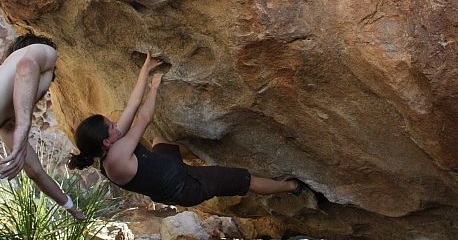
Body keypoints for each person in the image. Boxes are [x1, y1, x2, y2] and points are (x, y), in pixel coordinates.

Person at [70, 52, 303, 206]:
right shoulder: (117, 160)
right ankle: (292, 187)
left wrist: (145, 69)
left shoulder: (110, 146)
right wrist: (154, 88)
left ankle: (196, 154)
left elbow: (131, 105)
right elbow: (143, 117)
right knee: (245, 180)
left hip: (168, 167)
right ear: (106, 142)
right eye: (111, 126)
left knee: (160, 140)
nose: (115, 124)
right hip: (186, 186)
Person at [0, 33, 85, 220]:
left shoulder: (8, 121)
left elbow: (35, 171)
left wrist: (70, 206)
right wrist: (24, 125)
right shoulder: (44, 51)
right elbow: (26, 65)